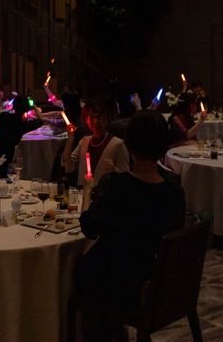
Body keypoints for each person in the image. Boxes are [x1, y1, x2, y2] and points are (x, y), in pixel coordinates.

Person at [76, 110, 185, 340]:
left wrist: (88, 190)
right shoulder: (174, 189)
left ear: (129, 144)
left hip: (121, 284)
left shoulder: (115, 186)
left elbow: (89, 227)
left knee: (75, 268)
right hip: (156, 280)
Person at [62, 96, 130, 186]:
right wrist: (70, 139)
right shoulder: (84, 142)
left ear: (106, 117)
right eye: (92, 117)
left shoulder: (118, 144)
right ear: (87, 120)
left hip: (105, 193)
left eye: (99, 116)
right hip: (83, 192)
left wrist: (115, 170)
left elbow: (126, 178)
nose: (95, 121)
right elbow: (68, 167)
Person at [0, 95, 44, 177]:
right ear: (27, 109)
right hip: (6, 156)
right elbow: (41, 120)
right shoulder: (24, 125)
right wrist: (34, 106)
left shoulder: (4, 116)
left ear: (14, 106)